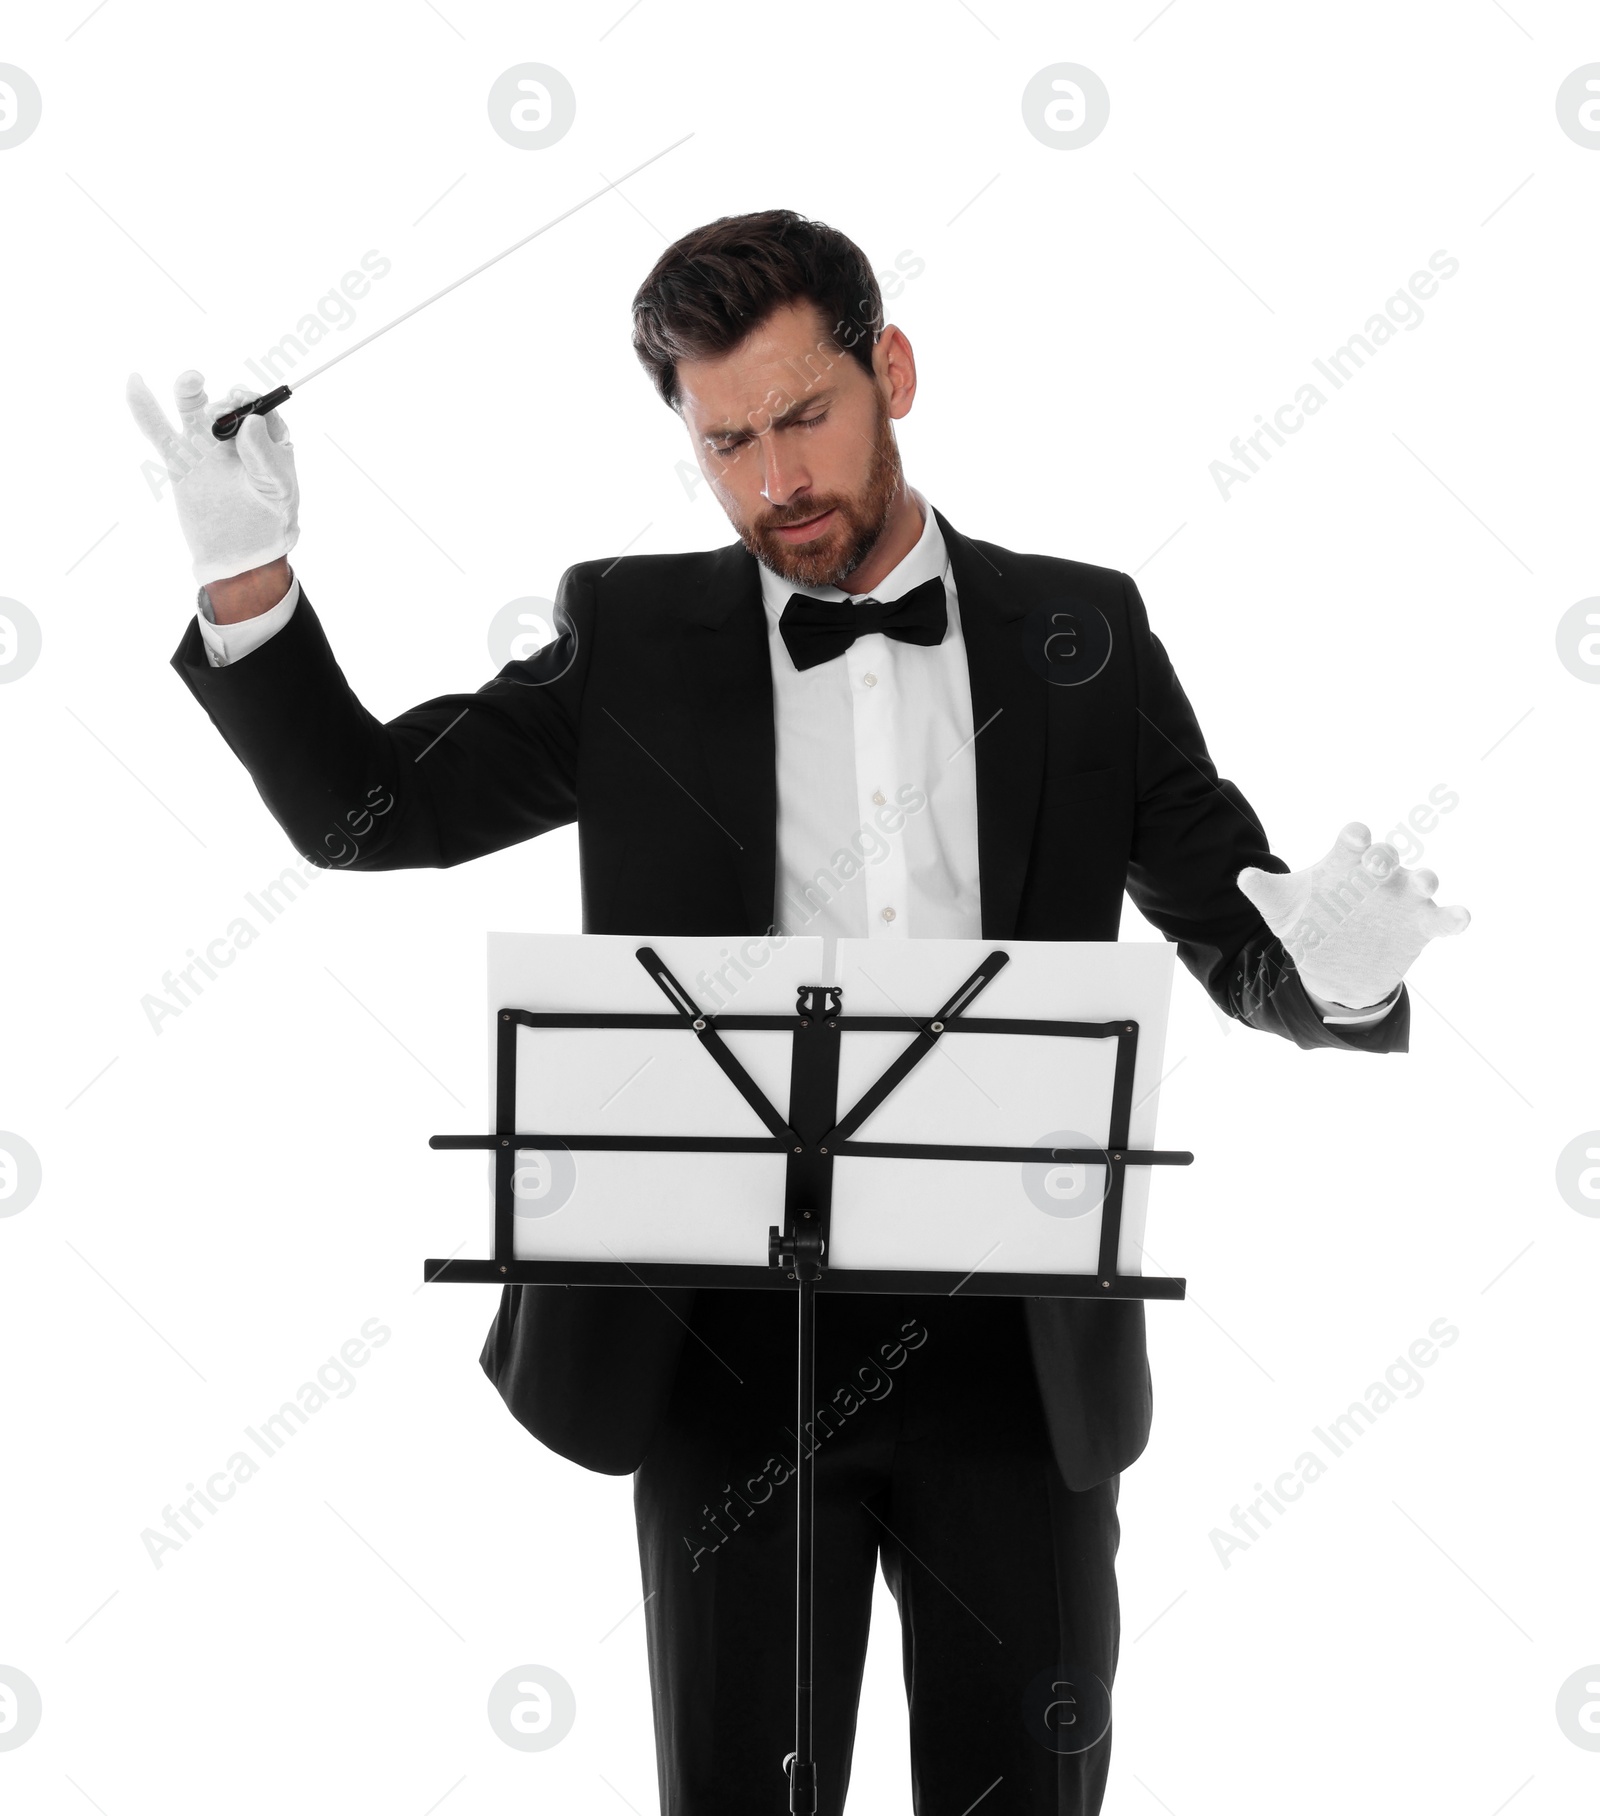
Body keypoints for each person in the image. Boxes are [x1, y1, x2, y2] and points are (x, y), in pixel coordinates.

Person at [128, 208, 1468, 1815]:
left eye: (805, 416)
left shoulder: (1083, 633)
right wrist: (245, 576)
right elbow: (367, 812)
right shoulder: (635, 634)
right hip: (721, 1340)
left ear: (890, 369)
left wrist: (1341, 970)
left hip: (1017, 1346)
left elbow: (1238, 932)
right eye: (727, 444)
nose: (776, 482)